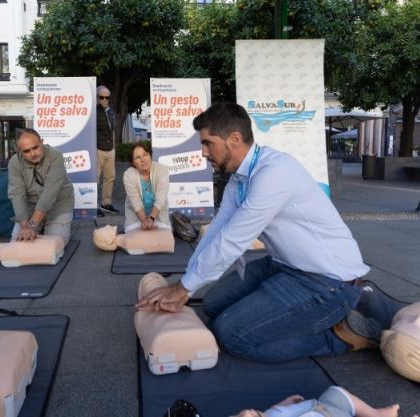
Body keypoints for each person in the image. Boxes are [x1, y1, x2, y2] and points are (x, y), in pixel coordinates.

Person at [137, 102, 372, 363]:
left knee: (231, 336)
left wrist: (183, 288)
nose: (203, 152)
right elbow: (217, 232)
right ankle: (296, 317)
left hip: (328, 282)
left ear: (234, 139)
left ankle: (339, 336)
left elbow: (233, 240)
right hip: (284, 266)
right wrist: (186, 286)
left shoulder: (275, 173)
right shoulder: (240, 177)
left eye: (207, 143)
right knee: (213, 305)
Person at [7, 128, 74, 246]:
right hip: (30, 207)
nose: (32, 154)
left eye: (35, 147)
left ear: (42, 142)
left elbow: (50, 193)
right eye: (26, 151)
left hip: (58, 205)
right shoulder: (14, 162)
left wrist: (32, 226)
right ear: (19, 151)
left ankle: (53, 225)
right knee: (17, 242)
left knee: (54, 246)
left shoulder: (55, 155)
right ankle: (39, 225)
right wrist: (24, 226)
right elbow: (17, 194)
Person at [231, 386, 401, 417]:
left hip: (323, 405)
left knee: (337, 392)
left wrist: (285, 403)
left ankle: (375, 414)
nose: (247, 412)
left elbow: (276, 409)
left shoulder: (268, 414)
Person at [122, 142, 171, 232]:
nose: (143, 160)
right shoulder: (128, 175)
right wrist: (145, 221)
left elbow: (160, 200)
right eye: (137, 157)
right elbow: (136, 203)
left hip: (158, 215)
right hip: (136, 216)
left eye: (145, 155)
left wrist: (151, 219)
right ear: (133, 162)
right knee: (135, 243)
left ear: (150, 156)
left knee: (163, 242)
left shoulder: (162, 170)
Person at [95, 85, 119, 216]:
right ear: (97, 98)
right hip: (98, 149)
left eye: (107, 98)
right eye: (102, 97)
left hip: (110, 149)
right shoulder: (94, 112)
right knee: (96, 178)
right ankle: (93, 204)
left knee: (110, 177)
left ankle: (106, 203)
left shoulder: (111, 111)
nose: (104, 100)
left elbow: (113, 129)